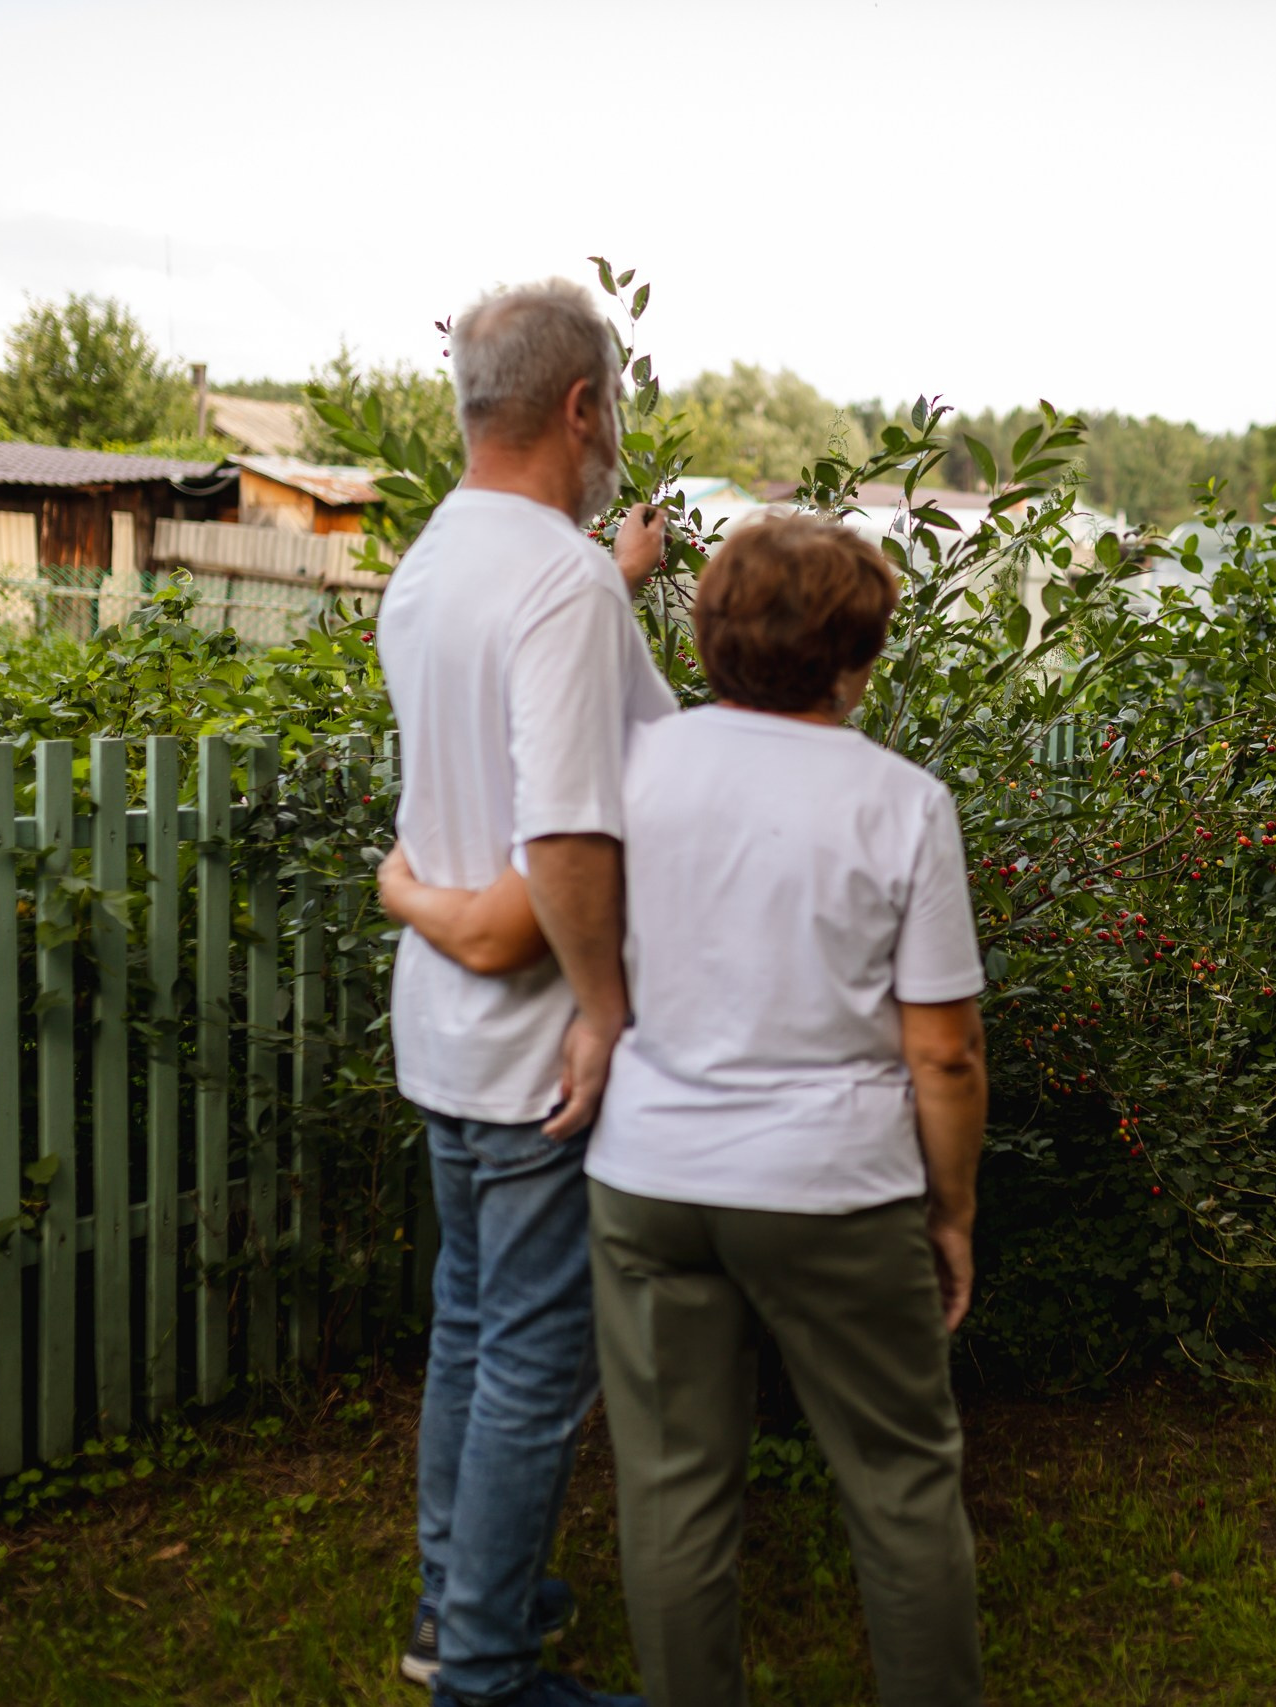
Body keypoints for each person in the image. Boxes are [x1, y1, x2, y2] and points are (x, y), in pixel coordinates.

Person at [382, 515, 990, 1707]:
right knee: (900, 1483)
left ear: (709, 639)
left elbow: (556, 890)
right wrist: (952, 1209)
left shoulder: (630, 774)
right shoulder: (903, 803)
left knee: (672, 1491)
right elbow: (946, 1050)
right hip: (834, 1191)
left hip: (648, 1181)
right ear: (857, 656)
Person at [376, 276, 674, 1707]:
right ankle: (486, 1671)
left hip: (442, 1032)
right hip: (535, 1055)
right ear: (581, 406)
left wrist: (615, 582)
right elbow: (559, 836)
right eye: (611, 407)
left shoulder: (437, 561)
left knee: (468, 1331)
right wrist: (605, 1010)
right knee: (534, 1367)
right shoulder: (557, 580)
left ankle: (455, 1610)